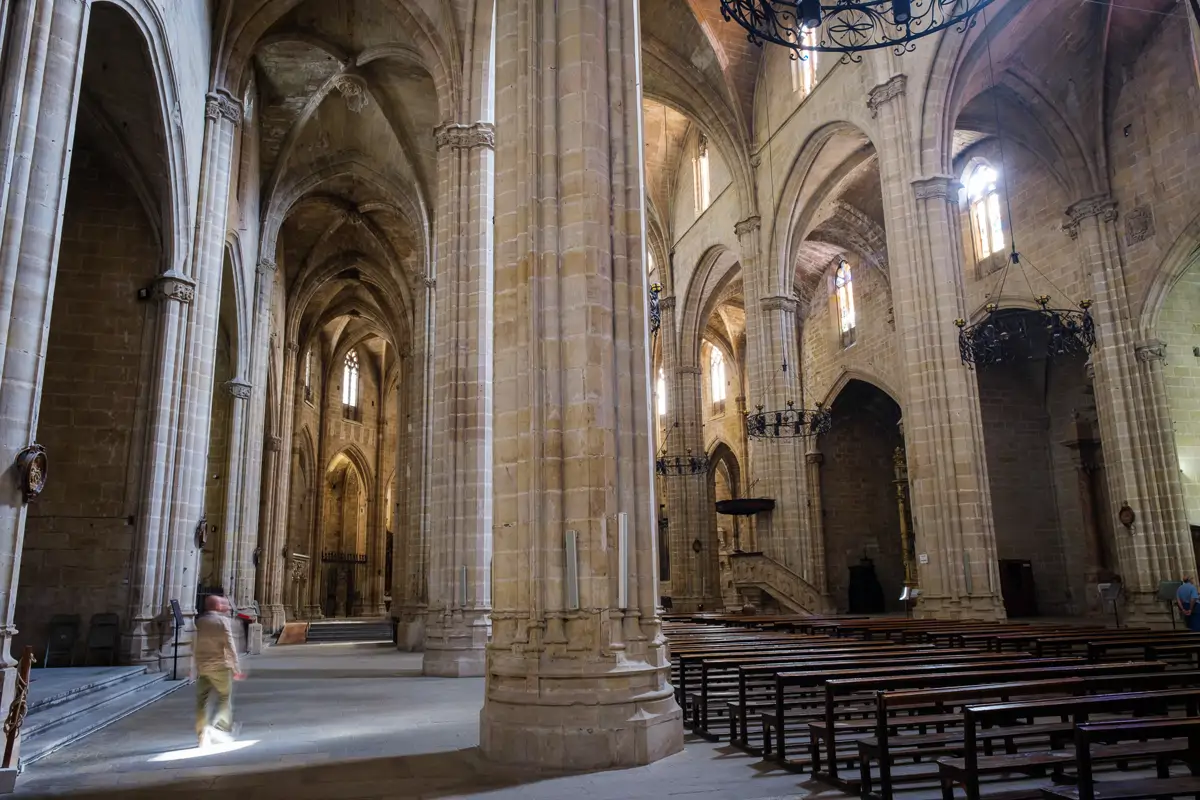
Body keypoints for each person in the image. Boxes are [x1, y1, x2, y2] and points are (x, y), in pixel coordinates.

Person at [193, 594, 243, 746]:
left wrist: (193, 666)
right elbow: (230, 645)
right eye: (222, 604)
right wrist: (236, 668)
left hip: (202, 666)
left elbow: (194, 643)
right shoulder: (222, 621)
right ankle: (218, 727)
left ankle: (202, 732)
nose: (225, 607)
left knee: (202, 700)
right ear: (217, 606)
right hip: (220, 666)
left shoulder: (200, 621)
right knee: (224, 697)